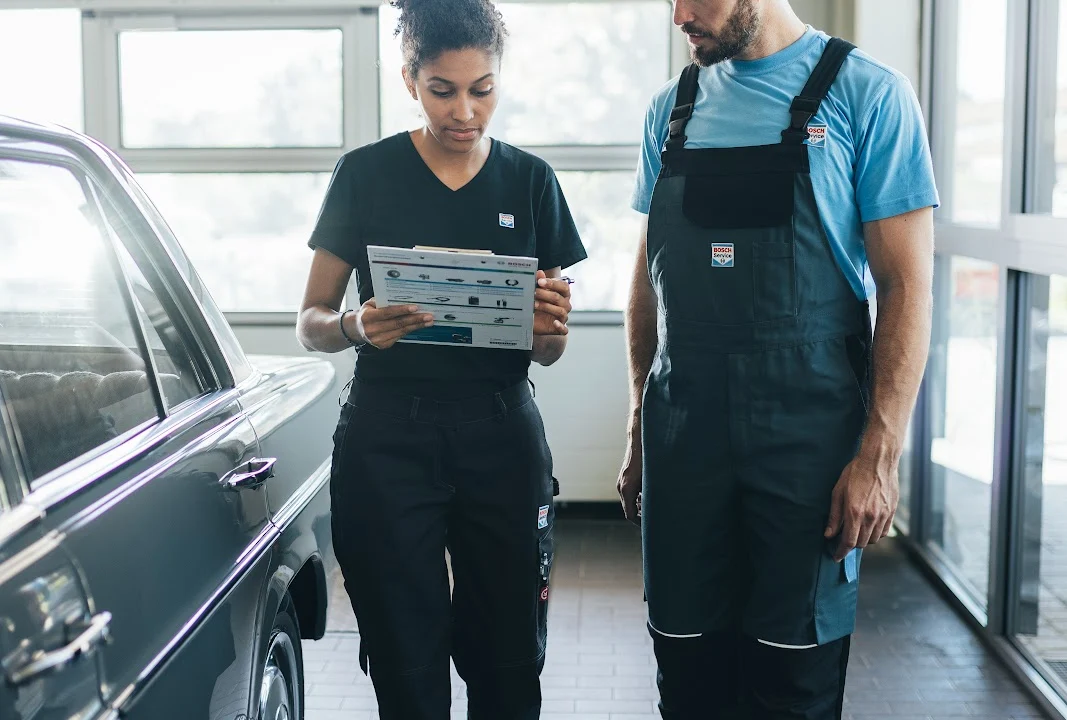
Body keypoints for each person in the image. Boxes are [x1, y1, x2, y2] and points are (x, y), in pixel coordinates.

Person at [616, 1, 938, 717]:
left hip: (809, 446)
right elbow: (646, 282)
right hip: (684, 435)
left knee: (792, 675)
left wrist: (878, 454)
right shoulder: (669, 111)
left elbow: (906, 285)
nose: (678, 14)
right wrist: (639, 421)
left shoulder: (867, 94)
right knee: (686, 665)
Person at [295, 0, 587, 717]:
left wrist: (552, 326)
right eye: (443, 91)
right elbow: (310, 324)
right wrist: (357, 326)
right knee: (402, 648)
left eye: (482, 90)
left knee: (508, 652)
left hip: (500, 432)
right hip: (388, 436)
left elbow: (547, 353)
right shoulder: (364, 174)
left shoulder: (530, 181)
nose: (465, 111)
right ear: (409, 80)